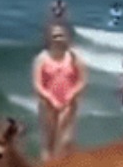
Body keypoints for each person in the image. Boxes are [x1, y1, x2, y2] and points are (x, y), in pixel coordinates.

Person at [32, 22, 88, 159]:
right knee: (48, 141)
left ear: (67, 37)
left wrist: (71, 95)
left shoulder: (75, 58)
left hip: (69, 103)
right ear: (49, 38)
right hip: (47, 104)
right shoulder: (41, 58)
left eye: (61, 35)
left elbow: (83, 81)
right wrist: (50, 99)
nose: (58, 38)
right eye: (55, 35)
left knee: (64, 140)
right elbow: (37, 84)